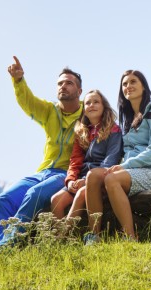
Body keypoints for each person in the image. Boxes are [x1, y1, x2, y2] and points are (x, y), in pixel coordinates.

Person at [0, 56, 84, 250]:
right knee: (2, 200)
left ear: (79, 91)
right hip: (43, 172)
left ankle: (10, 245)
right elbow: (28, 102)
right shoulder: (50, 111)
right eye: (59, 83)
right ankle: (2, 246)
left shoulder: (87, 114)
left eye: (69, 83)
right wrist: (18, 80)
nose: (63, 86)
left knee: (34, 194)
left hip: (65, 174)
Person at [83, 70, 151, 243]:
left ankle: (129, 238)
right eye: (124, 84)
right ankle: (93, 237)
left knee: (111, 180)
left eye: (133, 82)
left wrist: (124, 166)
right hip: (128, 172)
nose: (128, 86)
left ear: (143, 86)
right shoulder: (127, 119)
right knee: (93, 176)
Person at [50, 89, 122, 220]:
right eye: (88, 103)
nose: (92, 105)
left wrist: (87, 180)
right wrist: (71, 180)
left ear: (103, 106)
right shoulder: (82, 133)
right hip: (80, 178)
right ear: (84, 109)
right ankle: (60, 238)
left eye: (96, 102)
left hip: (100, 179)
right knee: (56, 200)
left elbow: (111, 160)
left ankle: (62, 237)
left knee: (81, 195)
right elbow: (75, 161)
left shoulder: (113, 130)